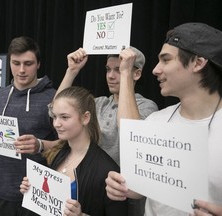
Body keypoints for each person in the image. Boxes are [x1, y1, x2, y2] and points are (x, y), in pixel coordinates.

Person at [105, 22, 222, 216]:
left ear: (198, 63)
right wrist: (125, 187)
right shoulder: (156, 121)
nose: (156, 70)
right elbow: (146, 187)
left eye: (166, 60)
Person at [56, 46, 158, 215]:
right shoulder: (99, 103)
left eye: (119, 70)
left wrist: (126, 74)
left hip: (125, 195)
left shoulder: (146, 106)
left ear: (136, 74)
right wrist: (72, 71)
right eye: (108, 69)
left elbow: (130, 130)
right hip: (91, 185)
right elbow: (56, 110)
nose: (111, 76)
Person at [0, 36, 58, 216]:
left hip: (40, 192)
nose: (21, 70)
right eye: (16, 63)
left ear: (38, 64)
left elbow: (68, 145)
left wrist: (40, 145)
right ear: (9, 62)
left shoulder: (53, 98)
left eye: (28, 63)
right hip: (2, 188)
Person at [20, 86, 128, 215]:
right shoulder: (57, 154)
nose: (56, 124)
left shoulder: (106, 170)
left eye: (64, 117)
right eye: (55, 117)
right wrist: (33, 190)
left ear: (85, 118)